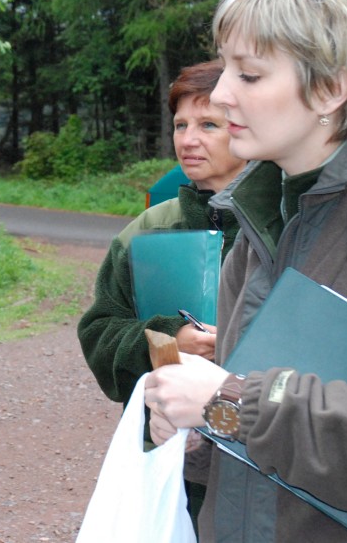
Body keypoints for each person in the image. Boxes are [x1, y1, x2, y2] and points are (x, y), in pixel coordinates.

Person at [144, 0, 347, 542]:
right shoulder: (257, 224)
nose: (222, 94)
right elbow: (256, 443)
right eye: (225, 68)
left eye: (249, 74)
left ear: (331, 88)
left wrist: (229, 402)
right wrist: (193, 432)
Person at [77, 60, 246, 523]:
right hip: (171, 466)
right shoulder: (148, 230)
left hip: (262, 466)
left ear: (246, 125)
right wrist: (169, 341)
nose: (188, 140)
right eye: (180, 125)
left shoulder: (283, 227)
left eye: (208, 124)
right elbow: (99, 335)